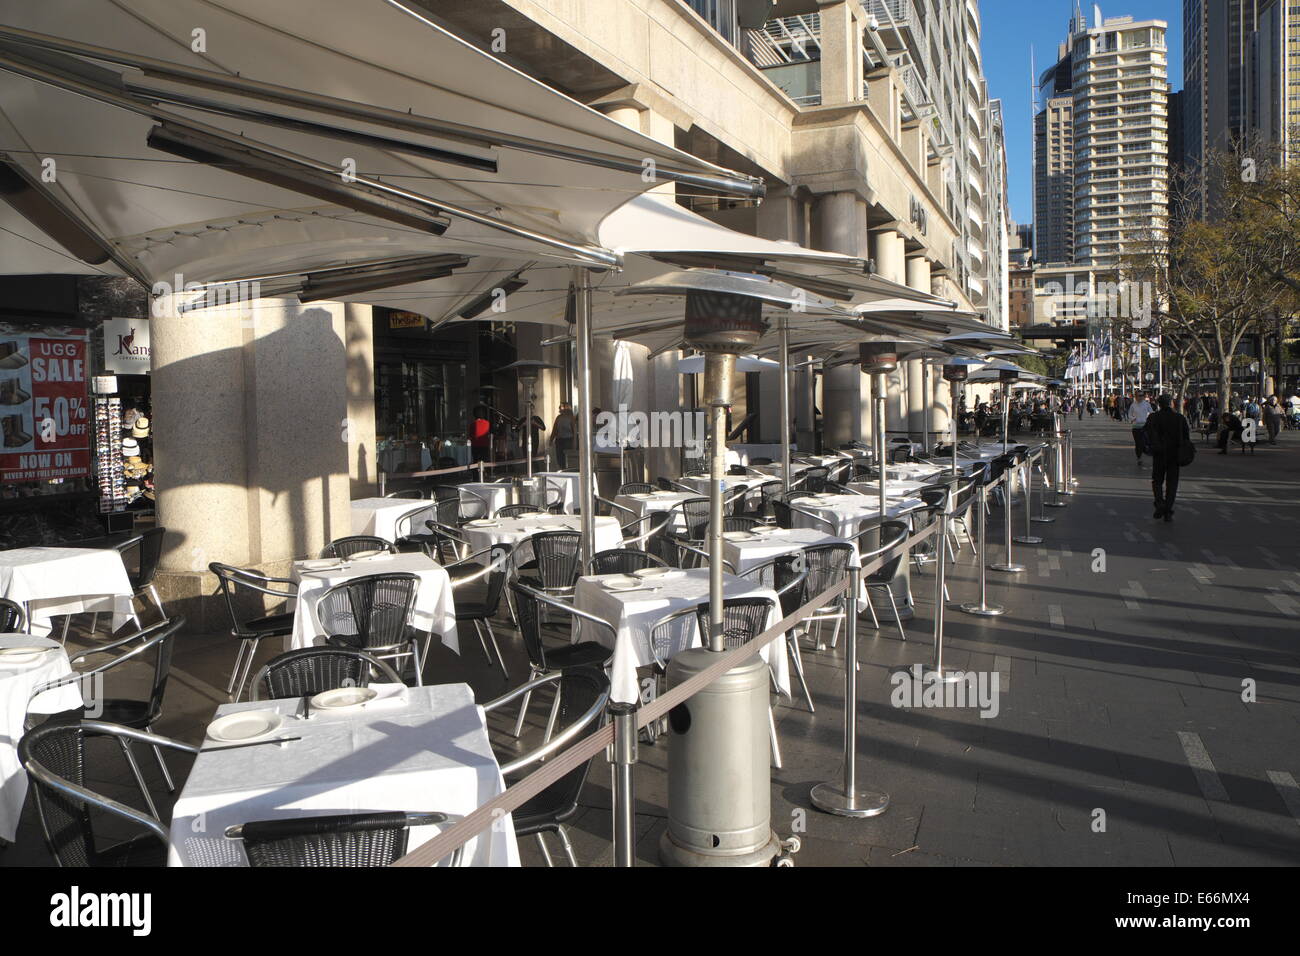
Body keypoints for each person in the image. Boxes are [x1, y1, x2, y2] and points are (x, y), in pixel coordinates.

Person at [1144, 394, 1190, 522]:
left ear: (1159, 404)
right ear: (1171, 403)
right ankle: (1168, 510)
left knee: (1157, 480)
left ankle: (1160, 503)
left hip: (1159, 453)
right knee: (1172, 482)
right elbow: (1187, 437)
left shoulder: (1153, 417)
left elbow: (1146, 434)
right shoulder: (1179, 418)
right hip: (1175, 454)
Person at [1127, 391, 1154, 466]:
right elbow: (1129, 414)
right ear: (1135, 396)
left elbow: (1151, 412)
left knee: (1145, 442)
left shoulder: (1146, 404)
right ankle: (1139, 457)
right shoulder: (1133, 405)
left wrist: (1150, 419)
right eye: (1139, 396)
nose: (1141, 397)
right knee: (1138, 443)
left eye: (1142, 395)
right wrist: (1133, 419)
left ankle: (1144, 453)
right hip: (1136, 427)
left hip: (1145, 427)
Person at [550, 401, 577, 468]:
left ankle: (567, 469)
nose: (559, 408)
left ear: (566, 408)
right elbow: (554, 429)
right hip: (559, 440)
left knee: (567, 457)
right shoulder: (558, 417)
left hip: (568, 440)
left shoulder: (571, 418)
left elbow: (574, 431)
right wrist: (551, 439)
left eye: (561, 406)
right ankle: (562, 468)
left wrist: (574, 443)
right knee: (559, 457)